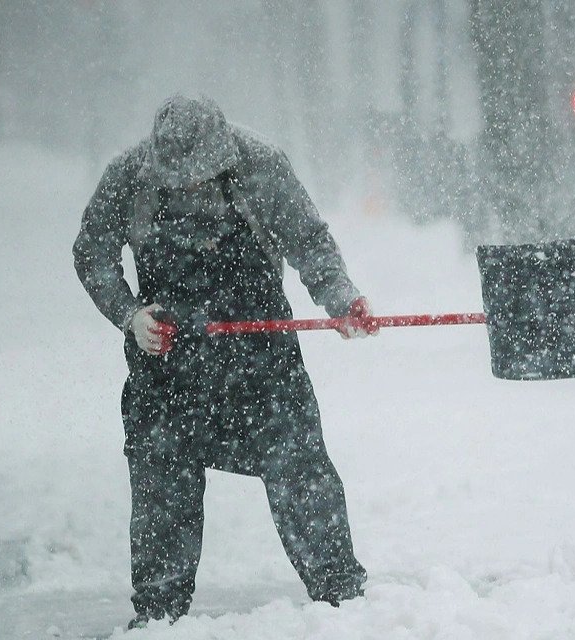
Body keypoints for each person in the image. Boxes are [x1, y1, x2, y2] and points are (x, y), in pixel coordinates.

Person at [73, 95, 376, 628]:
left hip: (261, 364)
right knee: (161, 483)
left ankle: (341, 598)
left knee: (300, 471)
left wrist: (341, 298)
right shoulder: (127, 176)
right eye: (178, 183)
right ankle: (160, 614)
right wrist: (129, 314)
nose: (191, 191)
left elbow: (309, 240)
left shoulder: (263, 165)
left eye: (201, 181)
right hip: (166, 366)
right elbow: (92, 253)